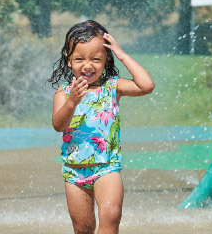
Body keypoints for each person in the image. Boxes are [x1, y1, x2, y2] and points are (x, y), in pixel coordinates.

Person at [50, 20, 154, 234]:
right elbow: (58, 125)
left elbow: (146, 86)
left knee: (111, 216)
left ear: (106, 60)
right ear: (68, 61)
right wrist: (72, 102)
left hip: (107, 167)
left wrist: (121, 54)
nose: (88, 66)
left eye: (96, 59)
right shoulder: (64, 92)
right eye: (79, 59)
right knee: (83, 228)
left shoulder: (112, 87)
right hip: (74, 171)